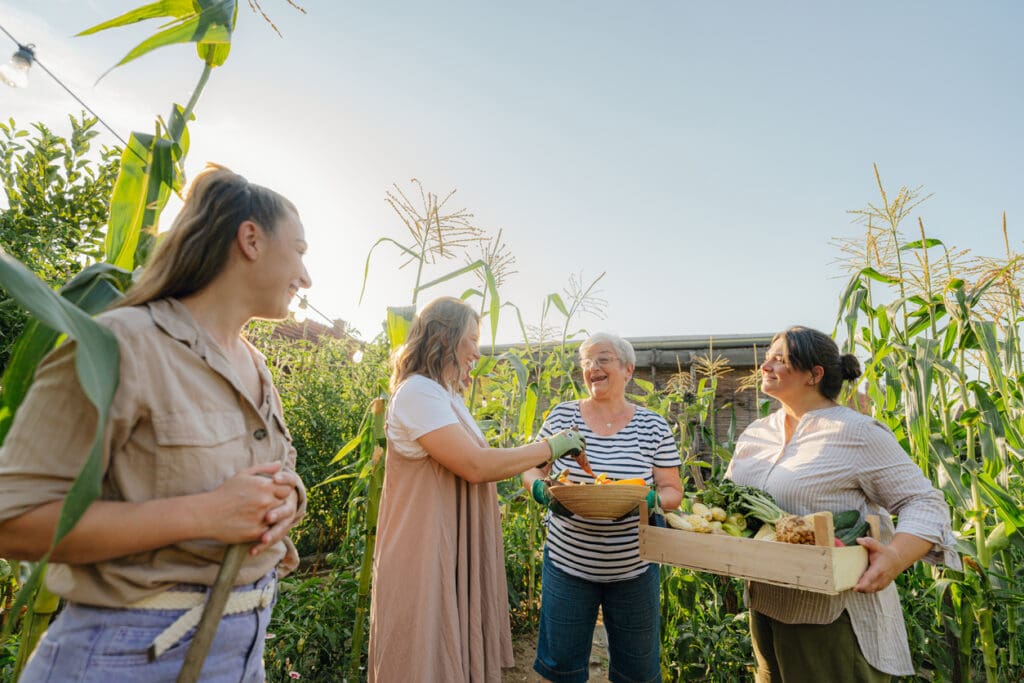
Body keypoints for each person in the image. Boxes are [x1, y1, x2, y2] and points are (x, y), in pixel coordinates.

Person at [0, 165, 311, 682]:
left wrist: (289, 499)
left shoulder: (254, 363)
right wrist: (205, 514)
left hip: (241, 649)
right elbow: (12, 520)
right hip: (125, 658)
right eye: (299, 250)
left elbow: (269, 475)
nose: (306, 276)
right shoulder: (119, 344)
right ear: (250, 239)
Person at [368, 296, 588, 682]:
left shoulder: (445, 395)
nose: (477, 351)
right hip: (425, 548)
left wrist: (534, 461)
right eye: (471, 339)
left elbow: (482, 459)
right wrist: (550, 445)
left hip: (450, 544)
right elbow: (473, 465)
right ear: (443, 337)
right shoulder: (417, 392)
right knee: (423, 654)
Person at [726, 326, 961, 682]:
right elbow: (729, 504)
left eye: (780, 358)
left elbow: (925, 502)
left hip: (831, 615)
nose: (765, 366)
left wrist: (896, 557)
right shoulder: (757, 432)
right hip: (766, 607)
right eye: (767, 358)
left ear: (813, 375)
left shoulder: (855, 432)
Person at [521, 332, 683, 683]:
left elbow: (672, 490)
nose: (593, 367)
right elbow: (533, 466)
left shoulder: (652, 425)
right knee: (561, 667)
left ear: (628, 369)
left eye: (603, 359)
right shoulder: (564, 416)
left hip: (634, 570)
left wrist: (650, 500)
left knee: (637, 671)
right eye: (586, 363)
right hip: (568, 565)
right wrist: (539, 489)